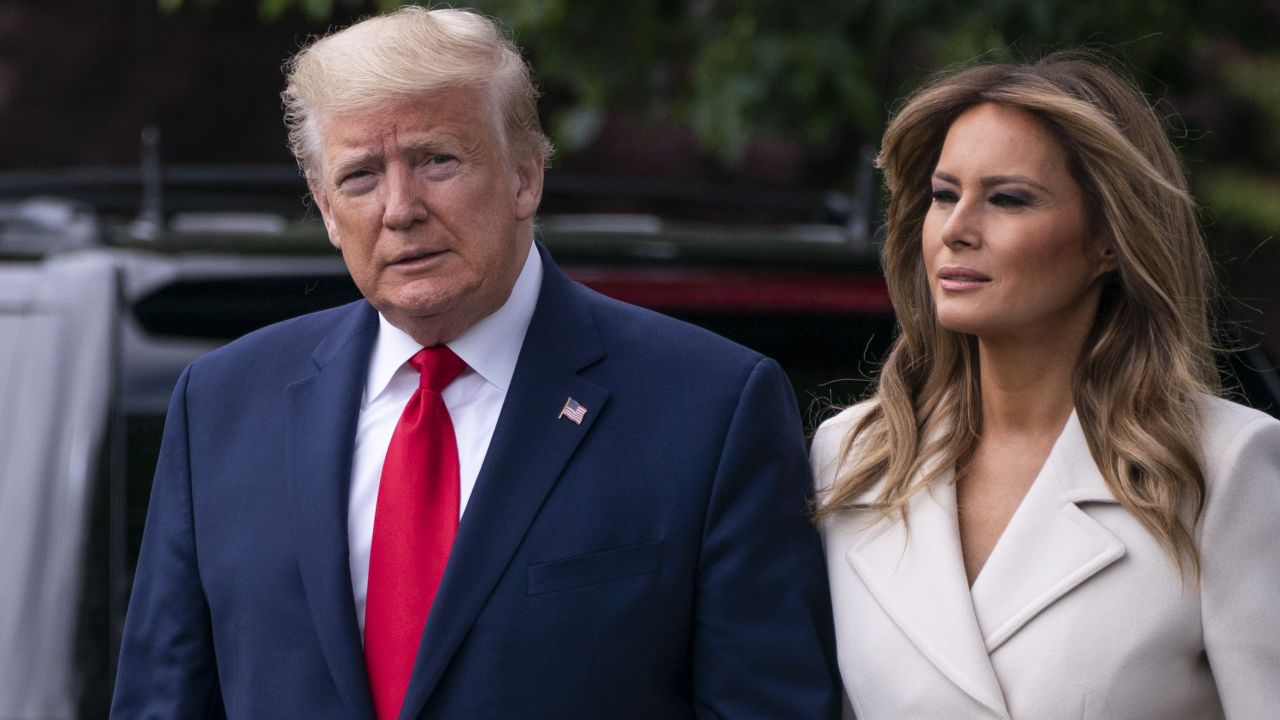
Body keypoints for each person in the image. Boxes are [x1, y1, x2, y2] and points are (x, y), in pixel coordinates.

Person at [111, 7, 840, 719]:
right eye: (361, 176)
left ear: (527, 176)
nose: (400, 208)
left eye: (437, 160)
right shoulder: (221, 405)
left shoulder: (709, 407)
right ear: (326, 209)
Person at [811, 53, 1280, 719]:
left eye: (1007, 199)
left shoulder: (1224, 466)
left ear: (1109, 242)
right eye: (944, 195)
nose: (956, 229)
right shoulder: (853, 455)